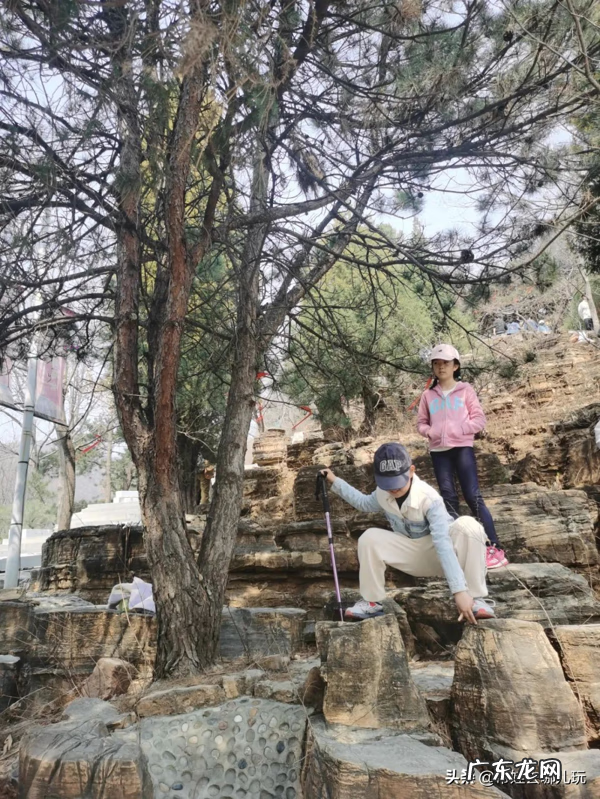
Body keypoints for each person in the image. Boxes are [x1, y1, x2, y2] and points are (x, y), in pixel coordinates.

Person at [321, 442, 495, 622]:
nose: (393, 489)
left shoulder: (428, 498)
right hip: (411, 555)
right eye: (387, 483)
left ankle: (475, 599)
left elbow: (443, 543)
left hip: (444, 555)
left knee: (469, 525)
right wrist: (334, 480)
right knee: (369, 537)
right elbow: (363, 503)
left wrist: (459, 591)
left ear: (411, 471)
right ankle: (372, 602)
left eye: (397, 482)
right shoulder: (383, 493)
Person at [417, 344, 508, 570]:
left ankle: (494, 548)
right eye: (436, 364)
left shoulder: (465, 390)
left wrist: (461, 429)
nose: (441, 367)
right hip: (439, 452)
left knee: (472, 496)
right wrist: (431, 432)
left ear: (456, 366)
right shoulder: (428, 395)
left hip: (462, 448)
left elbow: (479, 419)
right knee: (448, 498)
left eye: (446, 363)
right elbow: (421, 423)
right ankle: (457, 548)